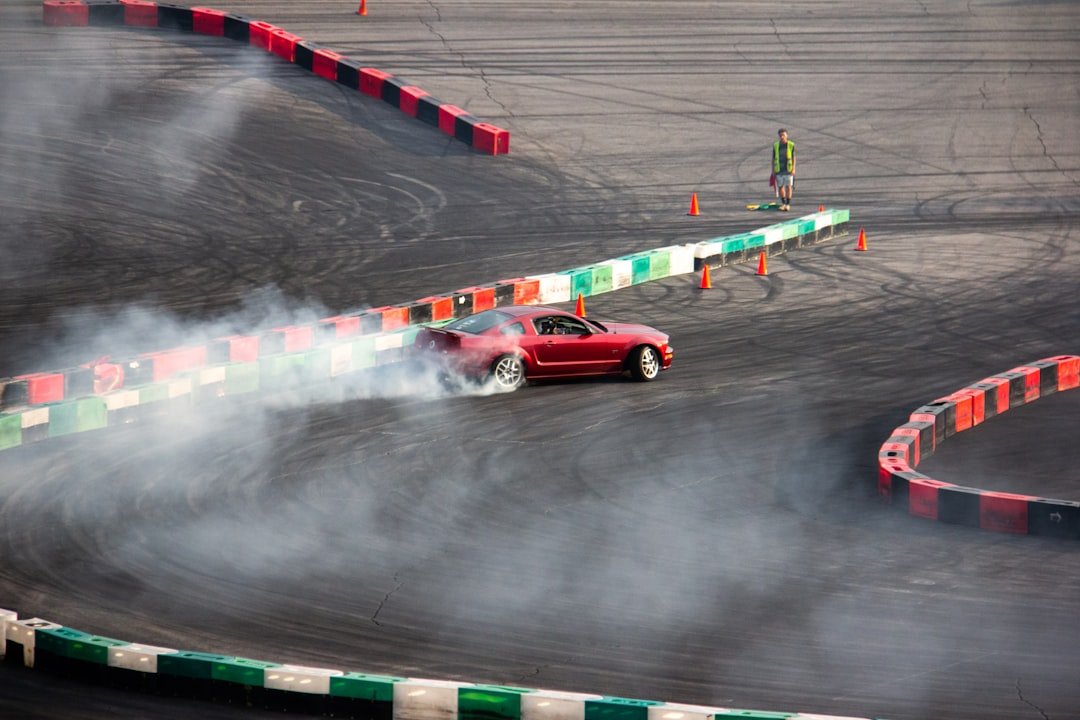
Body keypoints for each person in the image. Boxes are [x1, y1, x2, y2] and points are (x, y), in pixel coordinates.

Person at [772, 128, 796, 211]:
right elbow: (773, 158)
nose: (782, 137)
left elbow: (794, 157)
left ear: (787, 135)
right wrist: (773, 170)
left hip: (788, 169)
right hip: (779, 169)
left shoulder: (791, 145)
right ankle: (783, 203)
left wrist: (793, 168)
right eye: (780, 135)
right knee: (780, 187)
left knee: (789, 187)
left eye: (783, 135)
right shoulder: (775, 145)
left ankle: (788, 204)